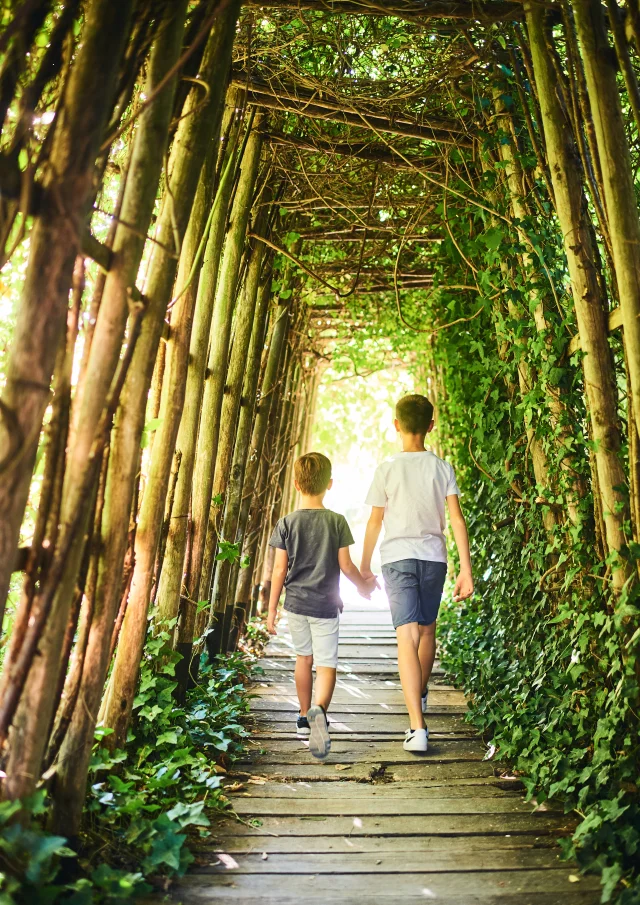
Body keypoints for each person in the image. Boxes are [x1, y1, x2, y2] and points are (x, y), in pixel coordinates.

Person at [360, 394, 473, 753]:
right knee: (426, 631)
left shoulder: (387, 467)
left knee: (406, 636)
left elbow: (375, 521)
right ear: (431, 426)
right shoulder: (442, 468)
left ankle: (417, 727)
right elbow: (456, 518)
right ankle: (420, 693)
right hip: (433, 560)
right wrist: (465, 569)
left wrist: (364, 567)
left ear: (396, 425)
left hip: (397, 559)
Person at [266, 452, 375, 759]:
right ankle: (319, 710)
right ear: (329, 484)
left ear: (297, 484)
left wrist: (272, 609)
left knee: (303, 659)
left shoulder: (286, 523)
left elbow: (278, 571)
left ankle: (303, 717)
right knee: (326, 665)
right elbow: (347, 567)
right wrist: (364, 586)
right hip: (326, 606)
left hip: (296, 604)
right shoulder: (336, 522)